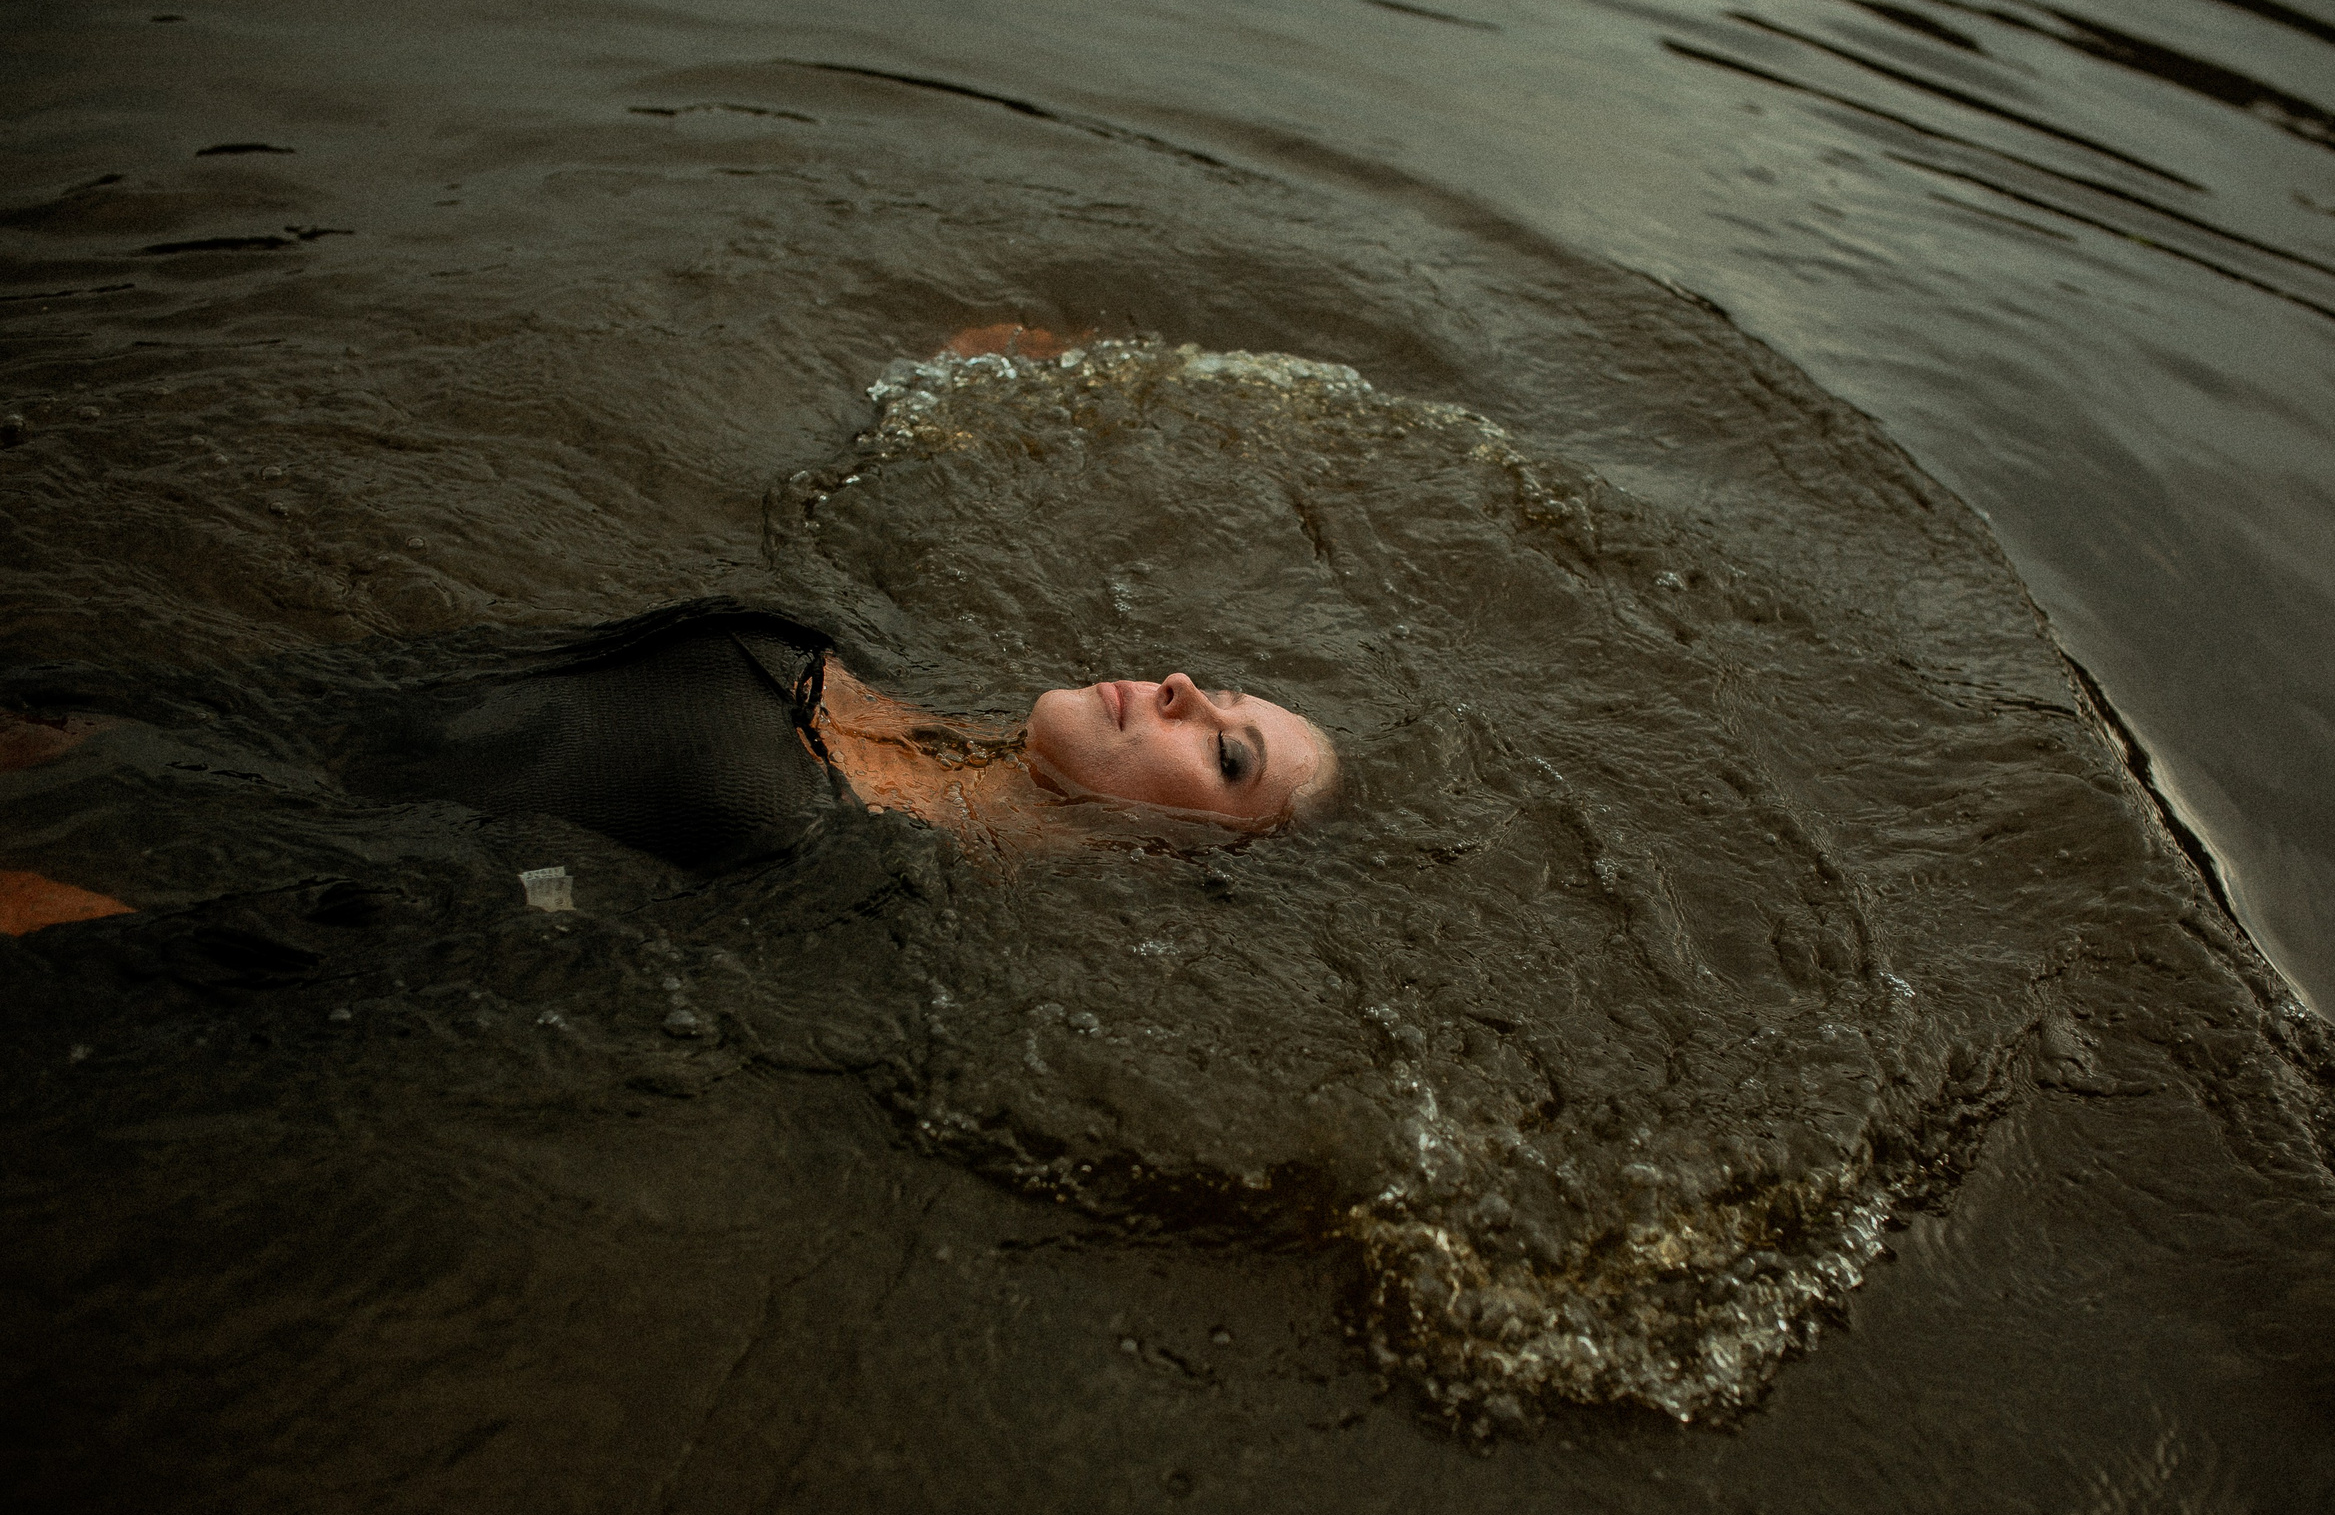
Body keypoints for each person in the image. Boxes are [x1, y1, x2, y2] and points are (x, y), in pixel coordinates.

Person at [0, 602, 1339, 938]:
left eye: (1226, 752)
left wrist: (99, 920)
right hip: (181, 713)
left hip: (170, 813)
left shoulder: (847, 882)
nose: (1181, 687)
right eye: (1217, 689)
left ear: (1163, 858)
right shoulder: (880, 677)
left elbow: (476, 927)